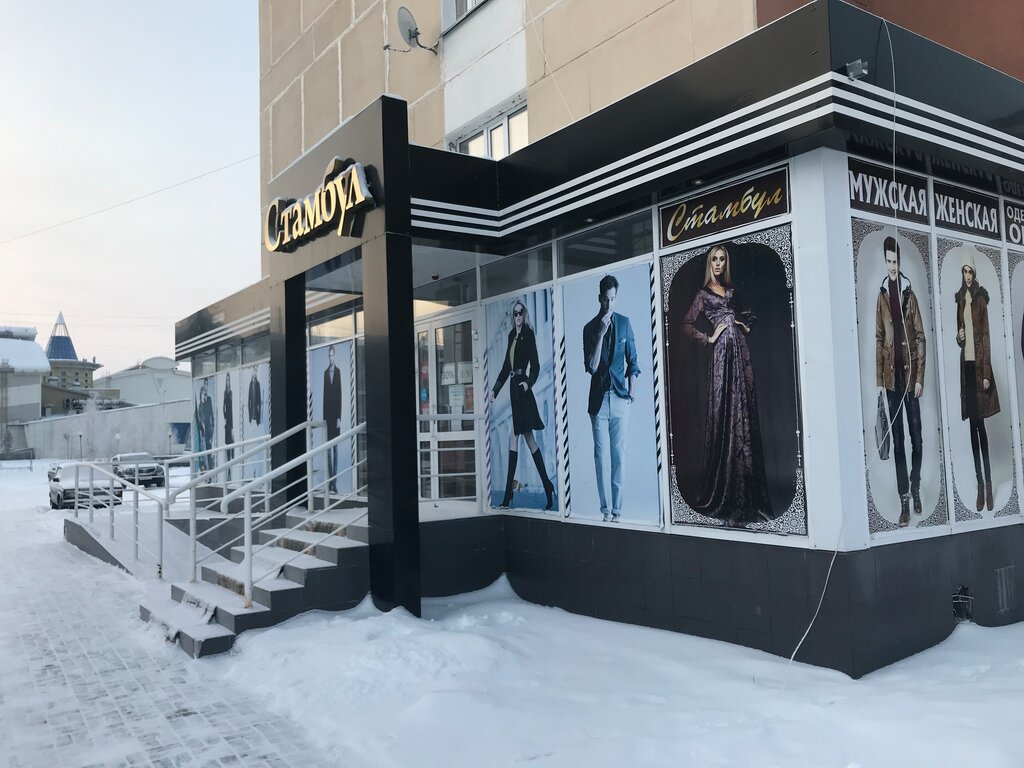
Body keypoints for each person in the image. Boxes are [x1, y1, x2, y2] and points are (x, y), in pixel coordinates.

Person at [682, 243, 771, 525]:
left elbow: (751, 315)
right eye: (715, 260)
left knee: (742, 409)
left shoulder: (731, 292)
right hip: (721, 354)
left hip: (740, 352)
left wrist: (744, 326)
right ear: (710, 263)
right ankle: (727, 493)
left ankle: (747, 494)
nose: (719, 263)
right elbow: (686, 324)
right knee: (725, 410)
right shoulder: (703, 294)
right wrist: (708, 337)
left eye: (722, 259)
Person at [875, 236, 926, 527]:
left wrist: (919, 378)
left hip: (909, 378)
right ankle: (904, 498)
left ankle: (915, 485)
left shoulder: (909, 294)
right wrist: (880, 380)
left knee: (917, 439)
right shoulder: (882, 295)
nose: (892, 266)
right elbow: (878, 337)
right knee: (897, 443)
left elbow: (920, 337)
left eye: (895, 261)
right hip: (892, 381)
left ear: (900, 261)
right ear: (885, 262)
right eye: (888, 261)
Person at [488, 300, 556, 510]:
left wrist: (528, 383)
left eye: (520, 313)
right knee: (526, 439)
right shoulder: (511, 336)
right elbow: (505, 367)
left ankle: (509, 494)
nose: (517, 316)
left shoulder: (529, 335)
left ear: (525, 314)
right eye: (515, 314)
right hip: (513, 389)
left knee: (516, 437)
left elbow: (535, 366)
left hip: (522, 390)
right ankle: (547, 485)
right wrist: (495, 390)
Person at [583, 274, 639, 522]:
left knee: (618, 456)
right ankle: (605, 510)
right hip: (598, 402)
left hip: (619, 399)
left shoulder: (625, 323)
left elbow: (633, 361)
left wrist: (631, 395)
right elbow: (592, 367)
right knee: (601, 458)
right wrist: (600, 335)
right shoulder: (589, 328)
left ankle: (617, 510)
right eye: (606, 300)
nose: (609, 304)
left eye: (613, 299)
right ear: (599, 298)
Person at [955, 248, 1000, 512]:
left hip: (979, 369)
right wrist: (959, 337)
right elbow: (959, 336)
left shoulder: (981, 299)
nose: (968, 275)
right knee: (972, 429)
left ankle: (989, 484)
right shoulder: (960, 299)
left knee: (981, 428)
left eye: (970, 271)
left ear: (974, 272)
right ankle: (979, 484)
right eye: (964, 271)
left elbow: (985, 337)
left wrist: (986, 374)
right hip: (966, 370)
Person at [323, 344, 343, 493]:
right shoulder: (325, 373)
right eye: (329, 356)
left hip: (335, 417)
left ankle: (334, 483)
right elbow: (324, 396)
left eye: (332, 355)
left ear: (334, 356)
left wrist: (339, 417)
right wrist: (324, 418)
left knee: (335, 450)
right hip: (328, 418)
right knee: (329, 451)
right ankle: (330, 481)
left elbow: (339, 395)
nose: (331, 358)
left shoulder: (338, 372)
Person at [199, 379, 215, 472]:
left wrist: (213, 428)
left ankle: (210, 469)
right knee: (204, 452)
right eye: (203, 394)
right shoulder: (200, 405)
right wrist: (202, 402)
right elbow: (200, 419)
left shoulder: (209, 400)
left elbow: (211, 414)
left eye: (205, 394)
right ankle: (205, 469)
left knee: (209, 450)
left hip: (208, 430)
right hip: (203, 433)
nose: (205, 396)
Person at [223, 373, 235, 469]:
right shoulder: (225, 393)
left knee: (232, 440)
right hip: (227, 421)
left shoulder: (231, 393)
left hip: (231, 421)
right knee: (227, 441)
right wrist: (225, 418)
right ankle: (228, 462)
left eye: (228, 380)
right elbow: (223, 407)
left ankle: (233, 461)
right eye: (226, 380)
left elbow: (232, 408)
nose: (228, 382)